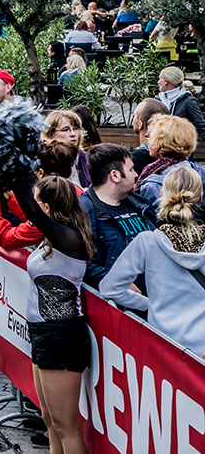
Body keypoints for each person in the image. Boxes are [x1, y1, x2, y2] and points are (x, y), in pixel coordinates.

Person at [12, 174, 95, 454]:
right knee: (49, 420)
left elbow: (29, 209)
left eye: (37, 204)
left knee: (65, 425)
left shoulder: (68, 238)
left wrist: (13, 170)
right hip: (44, 334)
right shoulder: (53, 237)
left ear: (46, 208)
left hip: (62, 336)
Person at [101, 166, 205, 355]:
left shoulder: (147, 242)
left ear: (162, 194)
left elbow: (110, 288)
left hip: (162, 345)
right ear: (200, 198)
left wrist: (149, 304)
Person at [80, 143, 154, 289]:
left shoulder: (140, 203)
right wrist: (118, 285)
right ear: (115, 175)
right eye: (131, 169)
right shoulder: (84, 212)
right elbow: (81, 263)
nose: (136, 175)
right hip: (122, 307)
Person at [135, 114, 205, 210]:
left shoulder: (153, 184)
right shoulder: (200, 173)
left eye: (149, 136)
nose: (148, 141)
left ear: (158, 143)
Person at [156, 66, 205, 141]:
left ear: (166, 81)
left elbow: (200, 125)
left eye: (160, 79)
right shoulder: (157, 100)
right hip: (160, 147)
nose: (158, 82)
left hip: (181, 148)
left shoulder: (188, 101)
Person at [130, 98, 169, 174]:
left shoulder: (131, 161)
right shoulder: (176, 157)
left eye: (135, 116)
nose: (133, 119)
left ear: (140, 124)